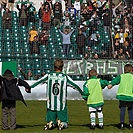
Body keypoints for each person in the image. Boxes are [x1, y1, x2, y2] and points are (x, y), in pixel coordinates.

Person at [30, 59, 83, 130]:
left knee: (51, 120)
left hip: (50, 103)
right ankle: (62, 124)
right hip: (62, 104)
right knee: (65, 121)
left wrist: (29, 87)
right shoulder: (65, 77)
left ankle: (51, 123)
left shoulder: (49, 75)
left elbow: (38, 82)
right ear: (62, 67)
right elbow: (75, 85)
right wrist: (83, 93)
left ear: (54, 67)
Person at [108, 64, 133, 130]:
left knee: (122, 110)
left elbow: (115, 81)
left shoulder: (121, 76)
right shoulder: (132, 77)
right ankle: (131, 123)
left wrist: (111, 84)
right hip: (130, 96)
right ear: (131, 70)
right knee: (130, 110)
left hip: (122, 96)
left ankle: (122, 123)